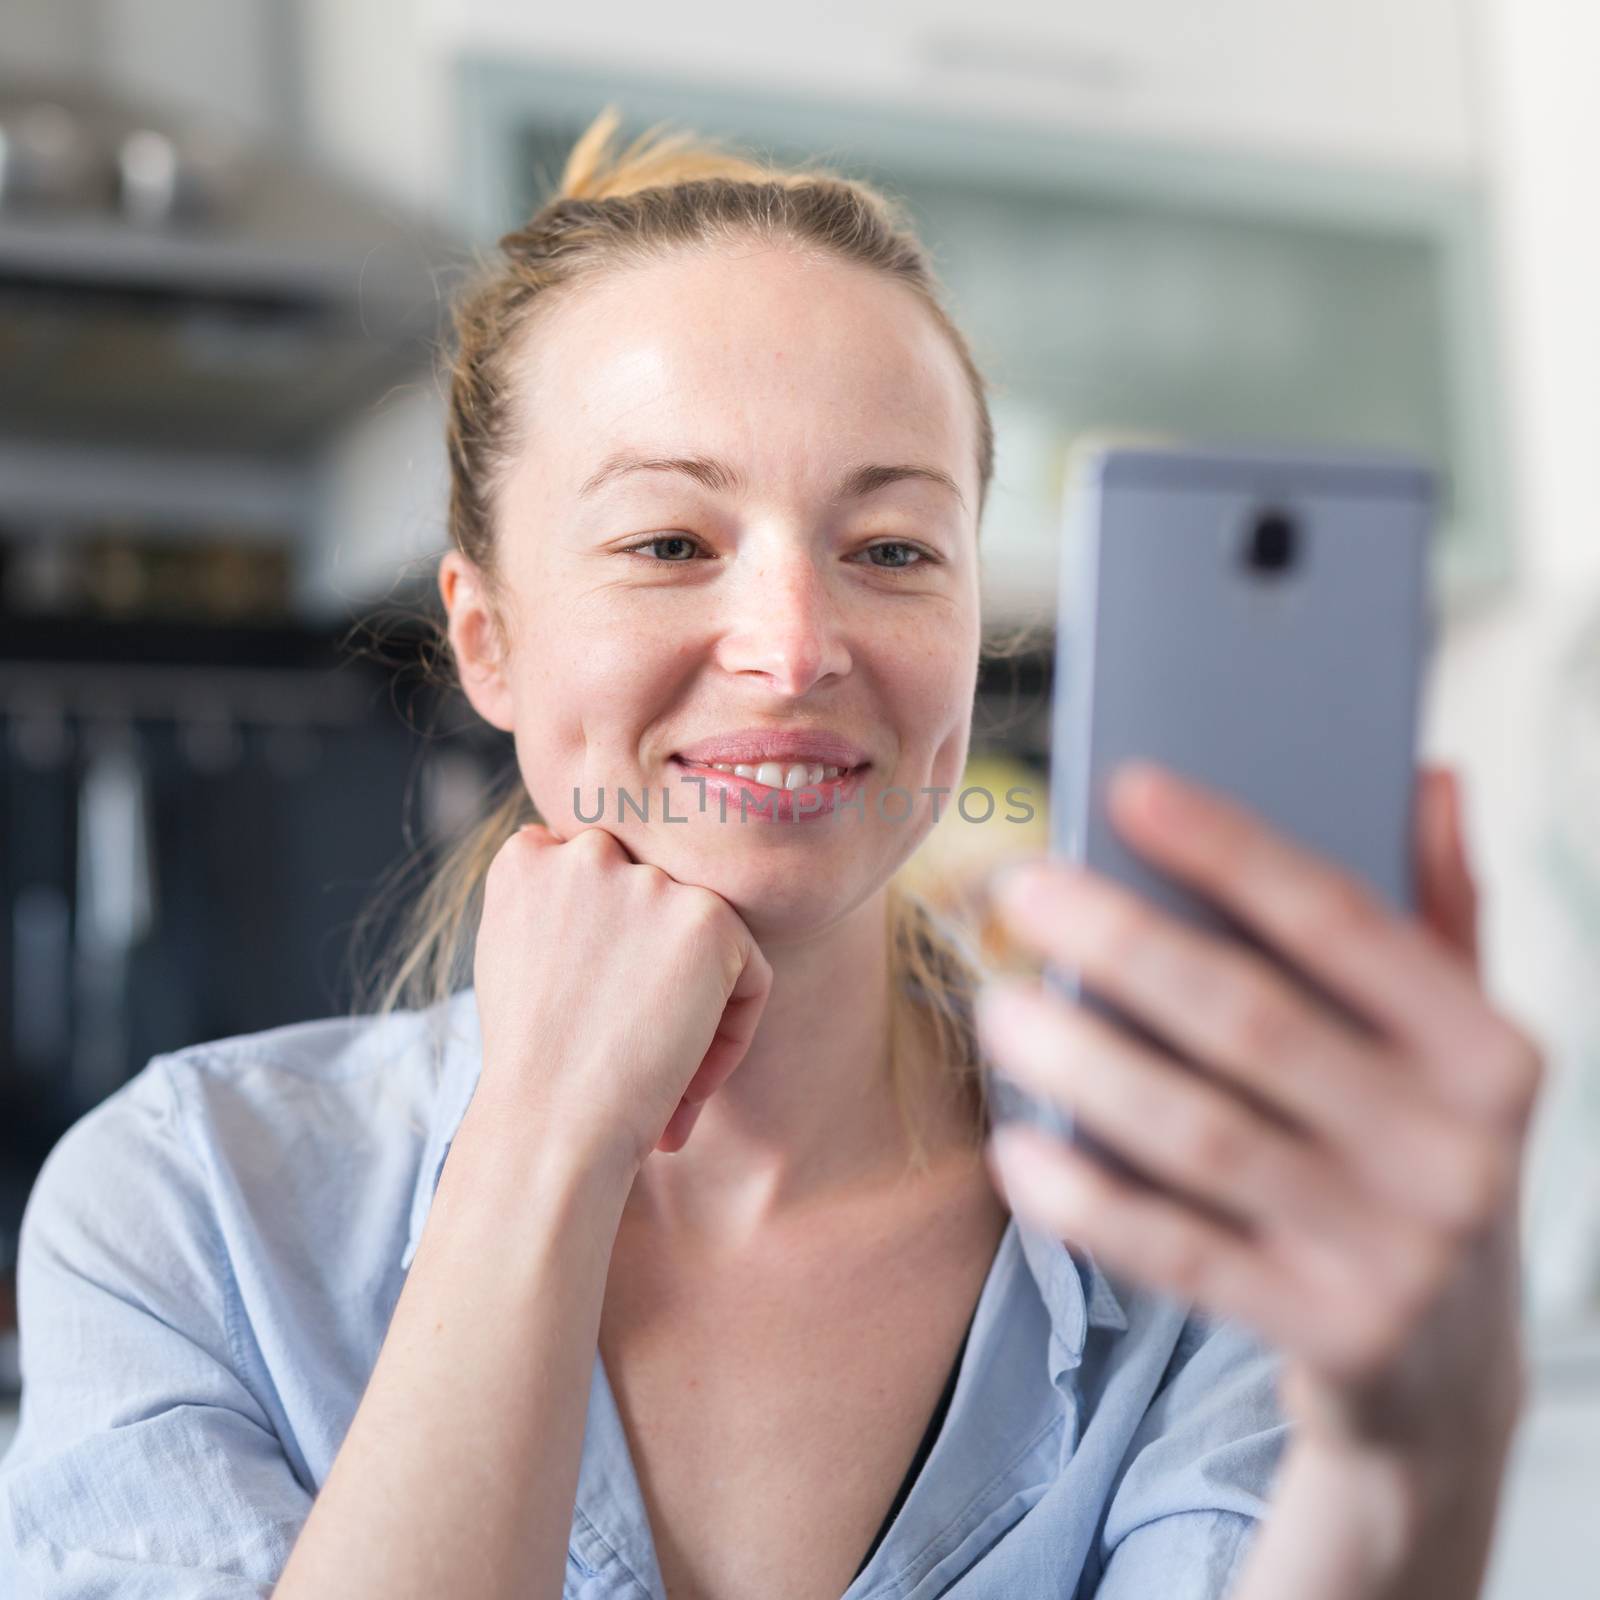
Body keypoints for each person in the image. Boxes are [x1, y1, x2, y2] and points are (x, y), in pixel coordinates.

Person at [0, 107, 1540, 1600]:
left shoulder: (1192, 1209)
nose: (796, 647)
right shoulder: (186, 1207)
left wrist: (1416, 1449)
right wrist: (545, 1146)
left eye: (892, 552)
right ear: (487, 639)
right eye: (669, 543)